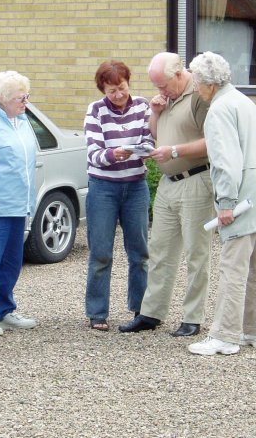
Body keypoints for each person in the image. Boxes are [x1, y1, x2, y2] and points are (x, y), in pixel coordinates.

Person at [186, 51, 256, 356]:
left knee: (233, 266)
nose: (194, 86)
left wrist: (227, 203)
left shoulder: (219, 109)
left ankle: (225, 336)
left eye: (195, 80)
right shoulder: (243, 100)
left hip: (244, 193)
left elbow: (225, 161)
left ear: (207, 82)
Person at [119, 52, 214, 337]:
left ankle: (192, 317)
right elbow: (158, 135)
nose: (160, 91)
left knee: (197, 252)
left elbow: (213, 141)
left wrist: (174, 152)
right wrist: (156, 112)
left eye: (162, 85)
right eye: (156, 86)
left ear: (179, 74)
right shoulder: (165, 98)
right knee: (160, 250)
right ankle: (152, 312)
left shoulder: (198, 96)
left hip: (196, 179)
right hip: (168, 183)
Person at [84, 60, 154, 331]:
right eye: (111, 90)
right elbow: (93, 153)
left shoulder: (142, 105)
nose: (118, 95)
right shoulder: (95, 110)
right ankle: (97, 311)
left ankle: (141, 308)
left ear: (128, 82)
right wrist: (113, 155)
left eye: (121, 88)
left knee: (140, 252)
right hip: (103, 188)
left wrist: (141, 150)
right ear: (103, 89)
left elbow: (150, 140)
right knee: (101, 252)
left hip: (136, 186)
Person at [0, 71, 38, 336]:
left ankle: (4, 310)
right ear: (2, 99)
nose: (25, 102)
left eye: (27, 96)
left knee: (11, 262)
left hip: (19, 204)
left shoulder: (22, 120)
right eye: (20, 98)